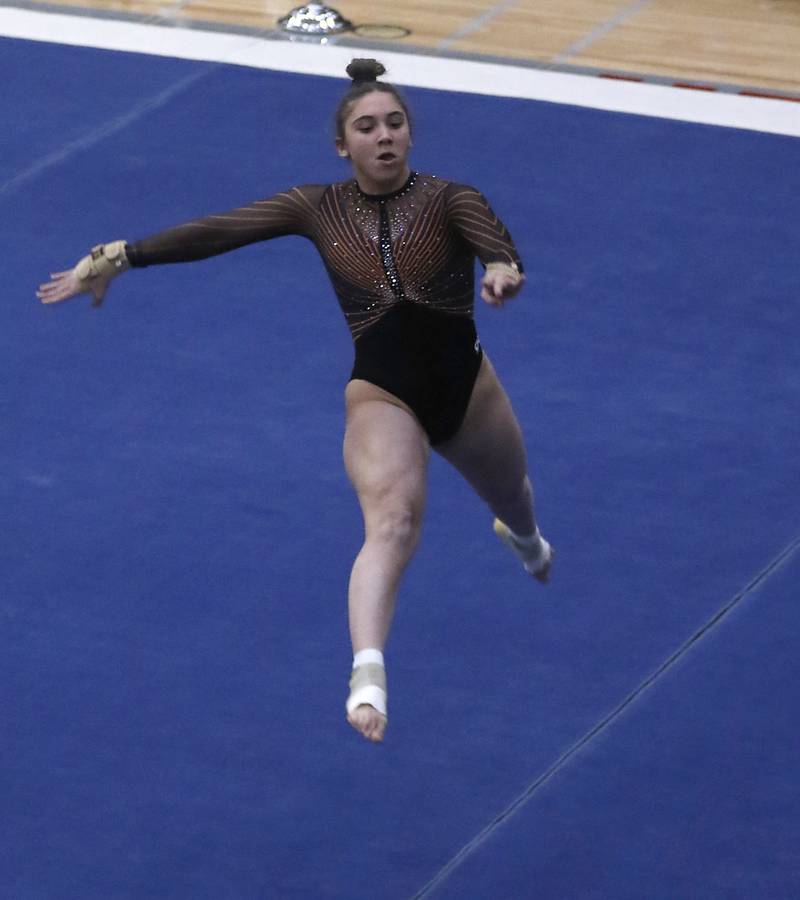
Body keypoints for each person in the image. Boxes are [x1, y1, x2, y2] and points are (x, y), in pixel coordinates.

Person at [37, 58, 553, 743]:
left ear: (411, 133)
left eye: (395, 123)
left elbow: (496, 247)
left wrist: (501, 274)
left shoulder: (450, 198)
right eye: (367, 127)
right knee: (393, 523)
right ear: (344, 146)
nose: (384, 136)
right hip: (384, 394)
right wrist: (122, 255)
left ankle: (521, 537)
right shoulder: (315, 208)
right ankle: (367, 674)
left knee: (514, 497)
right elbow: (218, 231)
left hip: (467, 386)